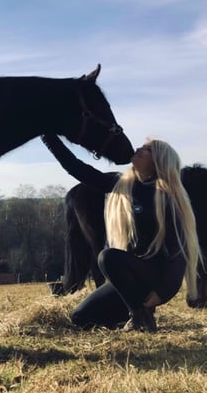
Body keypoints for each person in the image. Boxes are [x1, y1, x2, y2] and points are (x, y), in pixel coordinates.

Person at [41, 134, 201, 332]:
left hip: (154, 275)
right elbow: (78, 169)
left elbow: (179, 251)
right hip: (128, 277)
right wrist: (47, 137)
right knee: (80, 318)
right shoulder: (124, 184)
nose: (138, 149)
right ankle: (132, 313)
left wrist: (163, 292)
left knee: (107, 257)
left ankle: (139, 316)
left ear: (158, 161)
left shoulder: (168, 197)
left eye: (147, 149)